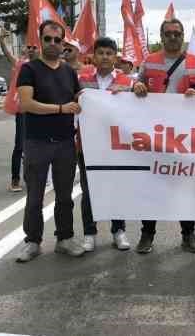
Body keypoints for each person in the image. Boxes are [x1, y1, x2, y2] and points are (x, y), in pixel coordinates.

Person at [16, 20, 85, 263]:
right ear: (40, 39)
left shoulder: (69, 71)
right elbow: (26, 104)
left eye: (57, 40)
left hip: (66, 142)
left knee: (65, 196)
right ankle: (32, 242)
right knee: (34, 195)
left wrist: (106, 97)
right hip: (37, 142)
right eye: (48, 39)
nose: (53, 44)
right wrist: (60, 108)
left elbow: (79, 96)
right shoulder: (29, 69)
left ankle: (64, 239)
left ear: (63, 42)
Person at [137, 18, 195, 255]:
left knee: (184, 188)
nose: (173, 37)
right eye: (168, 33)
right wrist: (137, 88)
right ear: (162, 36)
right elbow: (136, 87)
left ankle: (188, 234)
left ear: (183, 35)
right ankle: (147, 234)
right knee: (151, 186)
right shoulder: (149, 61)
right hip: (155, 136)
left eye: (177, 34)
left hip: (185, 138)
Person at [78, 37, 149, 252]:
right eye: (101, 53)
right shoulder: (81, 79)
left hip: (117, 146)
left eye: (109, 53)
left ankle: (119, 231)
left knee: (117, 187)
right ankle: (90, 233)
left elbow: (139, 107)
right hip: (89, 145)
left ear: (115, 57)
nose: (105, 57)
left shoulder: (127, 81)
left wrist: (138, 89)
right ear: (94, 56)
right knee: (89, 190)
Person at [0, 30, 39, 193]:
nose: (30, 49)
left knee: (36, 146)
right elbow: (8, 54)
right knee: (20, 146)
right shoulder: (20, 64)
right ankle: (15, 180)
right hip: (23, 110)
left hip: (39, 111)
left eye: (34, 47)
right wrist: (2, 42)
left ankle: (33, 179)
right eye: (28, 46)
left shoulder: (44, 66)